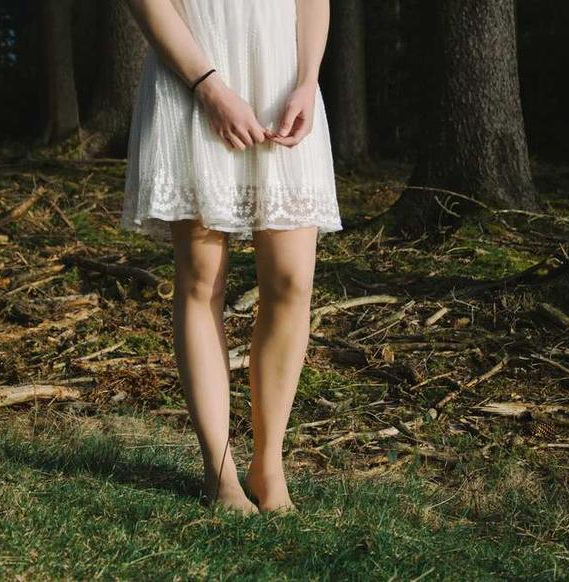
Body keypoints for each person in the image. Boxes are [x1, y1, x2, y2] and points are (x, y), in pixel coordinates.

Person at [121, 0, 343, 514]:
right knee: (202, 280)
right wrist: (209, 89)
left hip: (281, 80)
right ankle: (219, 473)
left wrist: (307, 79)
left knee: (292, 282)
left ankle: (269, 467)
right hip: (195, 78)